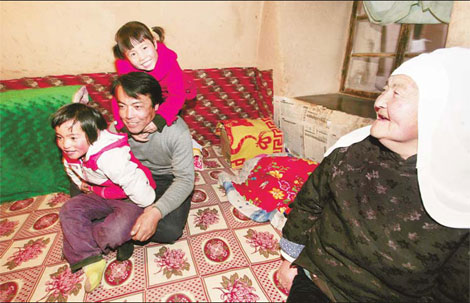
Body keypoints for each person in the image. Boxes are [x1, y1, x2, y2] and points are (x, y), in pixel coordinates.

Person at [277, 47, 470, 302]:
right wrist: (290, 259)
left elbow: (454, 290)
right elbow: (308, 204)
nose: (379, 102)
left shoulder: (460, 195)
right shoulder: (348, 153)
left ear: (441, 110)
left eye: (397, 93)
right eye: (384, 89)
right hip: (320, 279)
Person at [51, 103, 156, 293]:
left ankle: (83, 243)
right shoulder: (72, 151)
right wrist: (80, 183)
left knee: (116, 230)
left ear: (93, 135)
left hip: (129, 197)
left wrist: (149, 208)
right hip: (99, 192)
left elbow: (135, 185)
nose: (65, 144)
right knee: (68, 211)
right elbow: (70, 168)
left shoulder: (111, 157)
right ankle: (91, 260)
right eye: (60, 137)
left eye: (73, 137)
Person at [110, 71, 195, 260]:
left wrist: (155, 213)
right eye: (122, 106)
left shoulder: (176, 131)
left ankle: (120, 230)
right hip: (131, 177)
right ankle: (123, 228)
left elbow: (185, 179)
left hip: (166, 179)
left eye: (137, 106)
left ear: (156, 106)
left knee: (170, 230)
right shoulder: (116, 130)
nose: (128, 115)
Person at [112, 21, 196, 139]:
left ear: (155, 44)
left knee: (175, 132)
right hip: (142, 107)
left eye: (145, 48)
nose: (142, 57)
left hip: (169, 103)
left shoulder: (169, 62)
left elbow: (177, 95)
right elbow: (119, 100)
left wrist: (160, 120)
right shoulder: (127, 71)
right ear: (127, 58)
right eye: (133, 54)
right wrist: (126, 129)